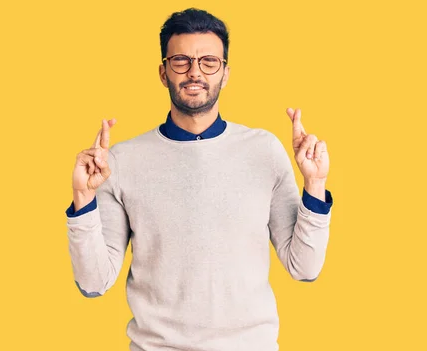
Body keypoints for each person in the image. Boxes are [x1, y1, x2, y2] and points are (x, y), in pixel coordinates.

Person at [65, 8, 333, 351]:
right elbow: (93, 284)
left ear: (225, 73)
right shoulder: (121, 160)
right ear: (163, 73)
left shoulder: (265, 150)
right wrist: (82, 198)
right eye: (181, 61)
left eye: (209, 61)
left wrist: (314, 185)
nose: (195, 72)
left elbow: (304, 268)